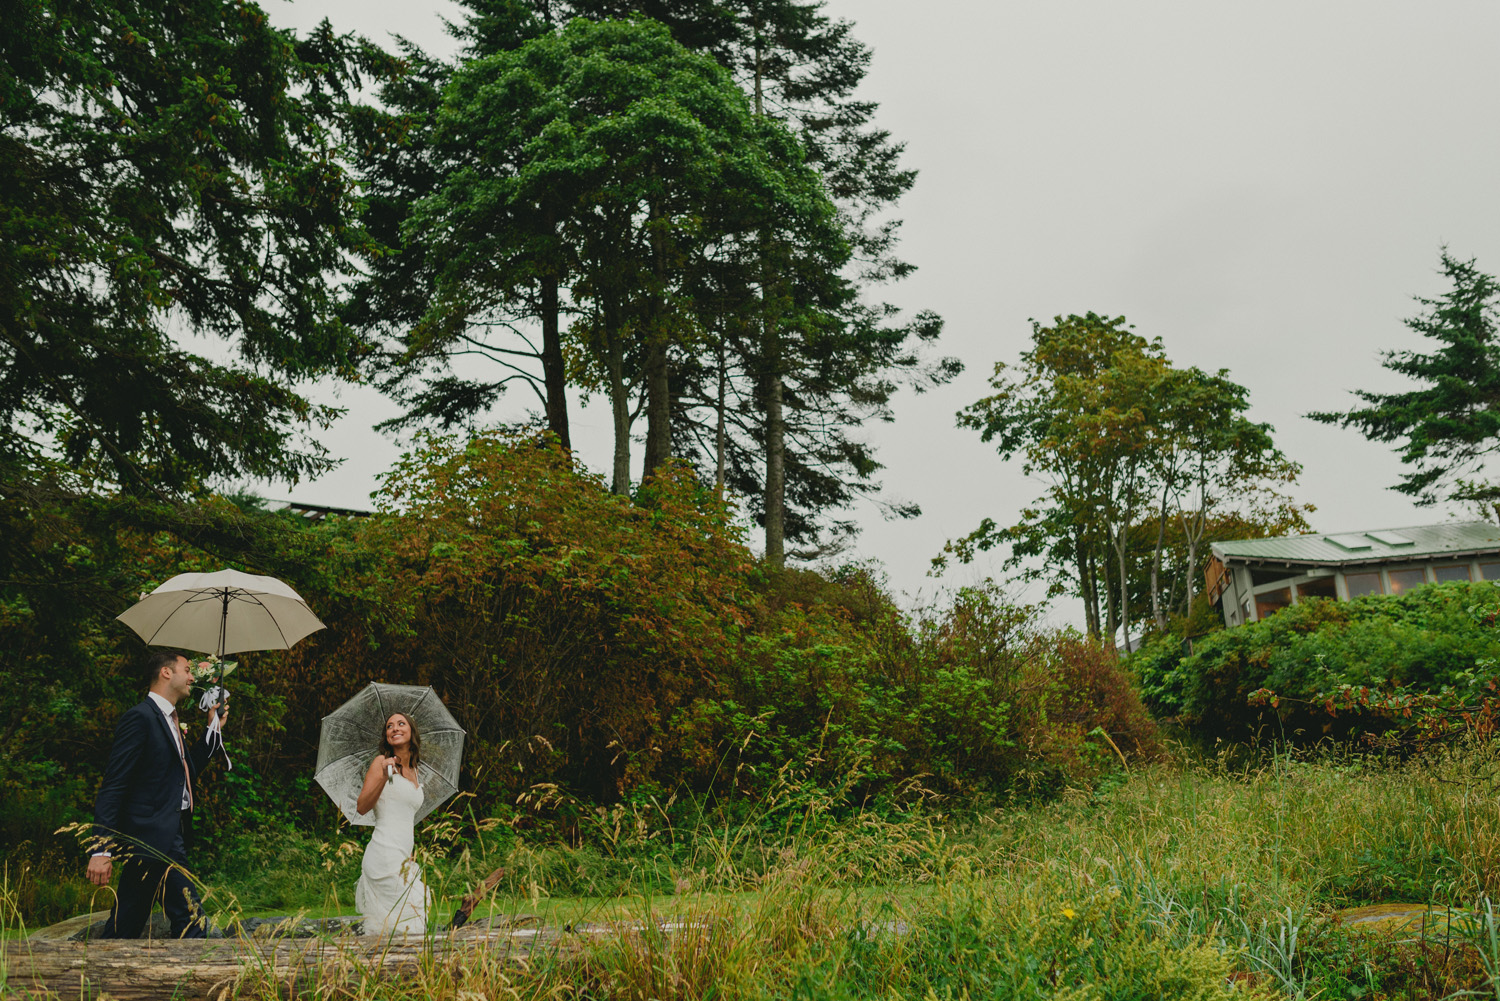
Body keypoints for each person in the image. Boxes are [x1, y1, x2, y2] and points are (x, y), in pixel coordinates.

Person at [87, 649, 228, 938]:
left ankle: (96, 975)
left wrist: (213, 726)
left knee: (125, 925)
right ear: (166, 672)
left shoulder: (171, 721)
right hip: (150, 838)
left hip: (165, 838)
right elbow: (114, 785)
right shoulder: (140, 718)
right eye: (186, 670)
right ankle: (198, 977)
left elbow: (187, 771)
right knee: (192, 923)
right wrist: (101, 849)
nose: (192, 677)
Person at [353, 712, 430, 936]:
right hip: (384, 854)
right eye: (389, 726)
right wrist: (384, 777)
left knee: (401, 922)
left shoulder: (416, 771)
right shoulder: (380, 762)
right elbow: (362, 806)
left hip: (404, 857)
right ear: (386, 736)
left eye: (400, 724)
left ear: (411, 731)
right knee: (411, 920)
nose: (394, 728)